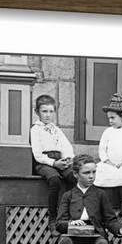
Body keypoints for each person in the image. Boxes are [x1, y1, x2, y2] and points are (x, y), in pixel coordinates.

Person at [30, 94, 76, 235]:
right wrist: (54, 163)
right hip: (43, 162)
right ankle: (53, 219)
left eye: (51, 111)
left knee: (73, 177)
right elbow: (37, 154)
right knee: (55, 180)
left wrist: (67, 159)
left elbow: (67, 147)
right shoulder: (35, 129)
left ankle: (69, 215)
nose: (48, 115)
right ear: (37, 112)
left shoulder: (56, 129)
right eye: (44, 111)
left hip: (59, 161)